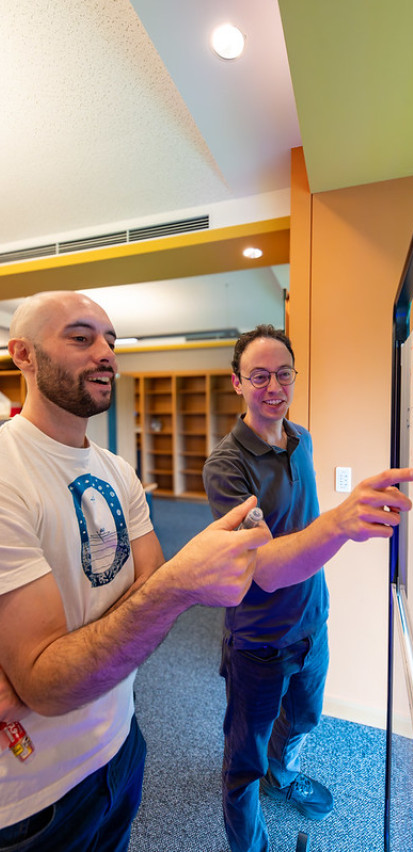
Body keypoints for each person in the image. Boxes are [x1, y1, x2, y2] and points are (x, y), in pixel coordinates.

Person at [0, 291, 271, 851]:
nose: (106, 353)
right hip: (34, 799)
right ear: (23, 354)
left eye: (111, 341)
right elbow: (47, 684)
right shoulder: (7, 472)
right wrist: (174, 588)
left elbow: (147, 583)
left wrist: (63, 653)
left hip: (121, 741)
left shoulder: (118, 471)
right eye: (81, 338)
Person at [202, 324, 413, 852]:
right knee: (242, 765)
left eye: (284, 374)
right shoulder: (225, 467)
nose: (274, 387)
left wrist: (331, 538)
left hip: (312, 622)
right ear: (237, 383)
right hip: (259, 641)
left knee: (303, 718)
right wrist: (341, 523)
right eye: (259, 376)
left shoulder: (301, 438)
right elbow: (265, 569)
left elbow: (299, 527)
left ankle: (281, 776)